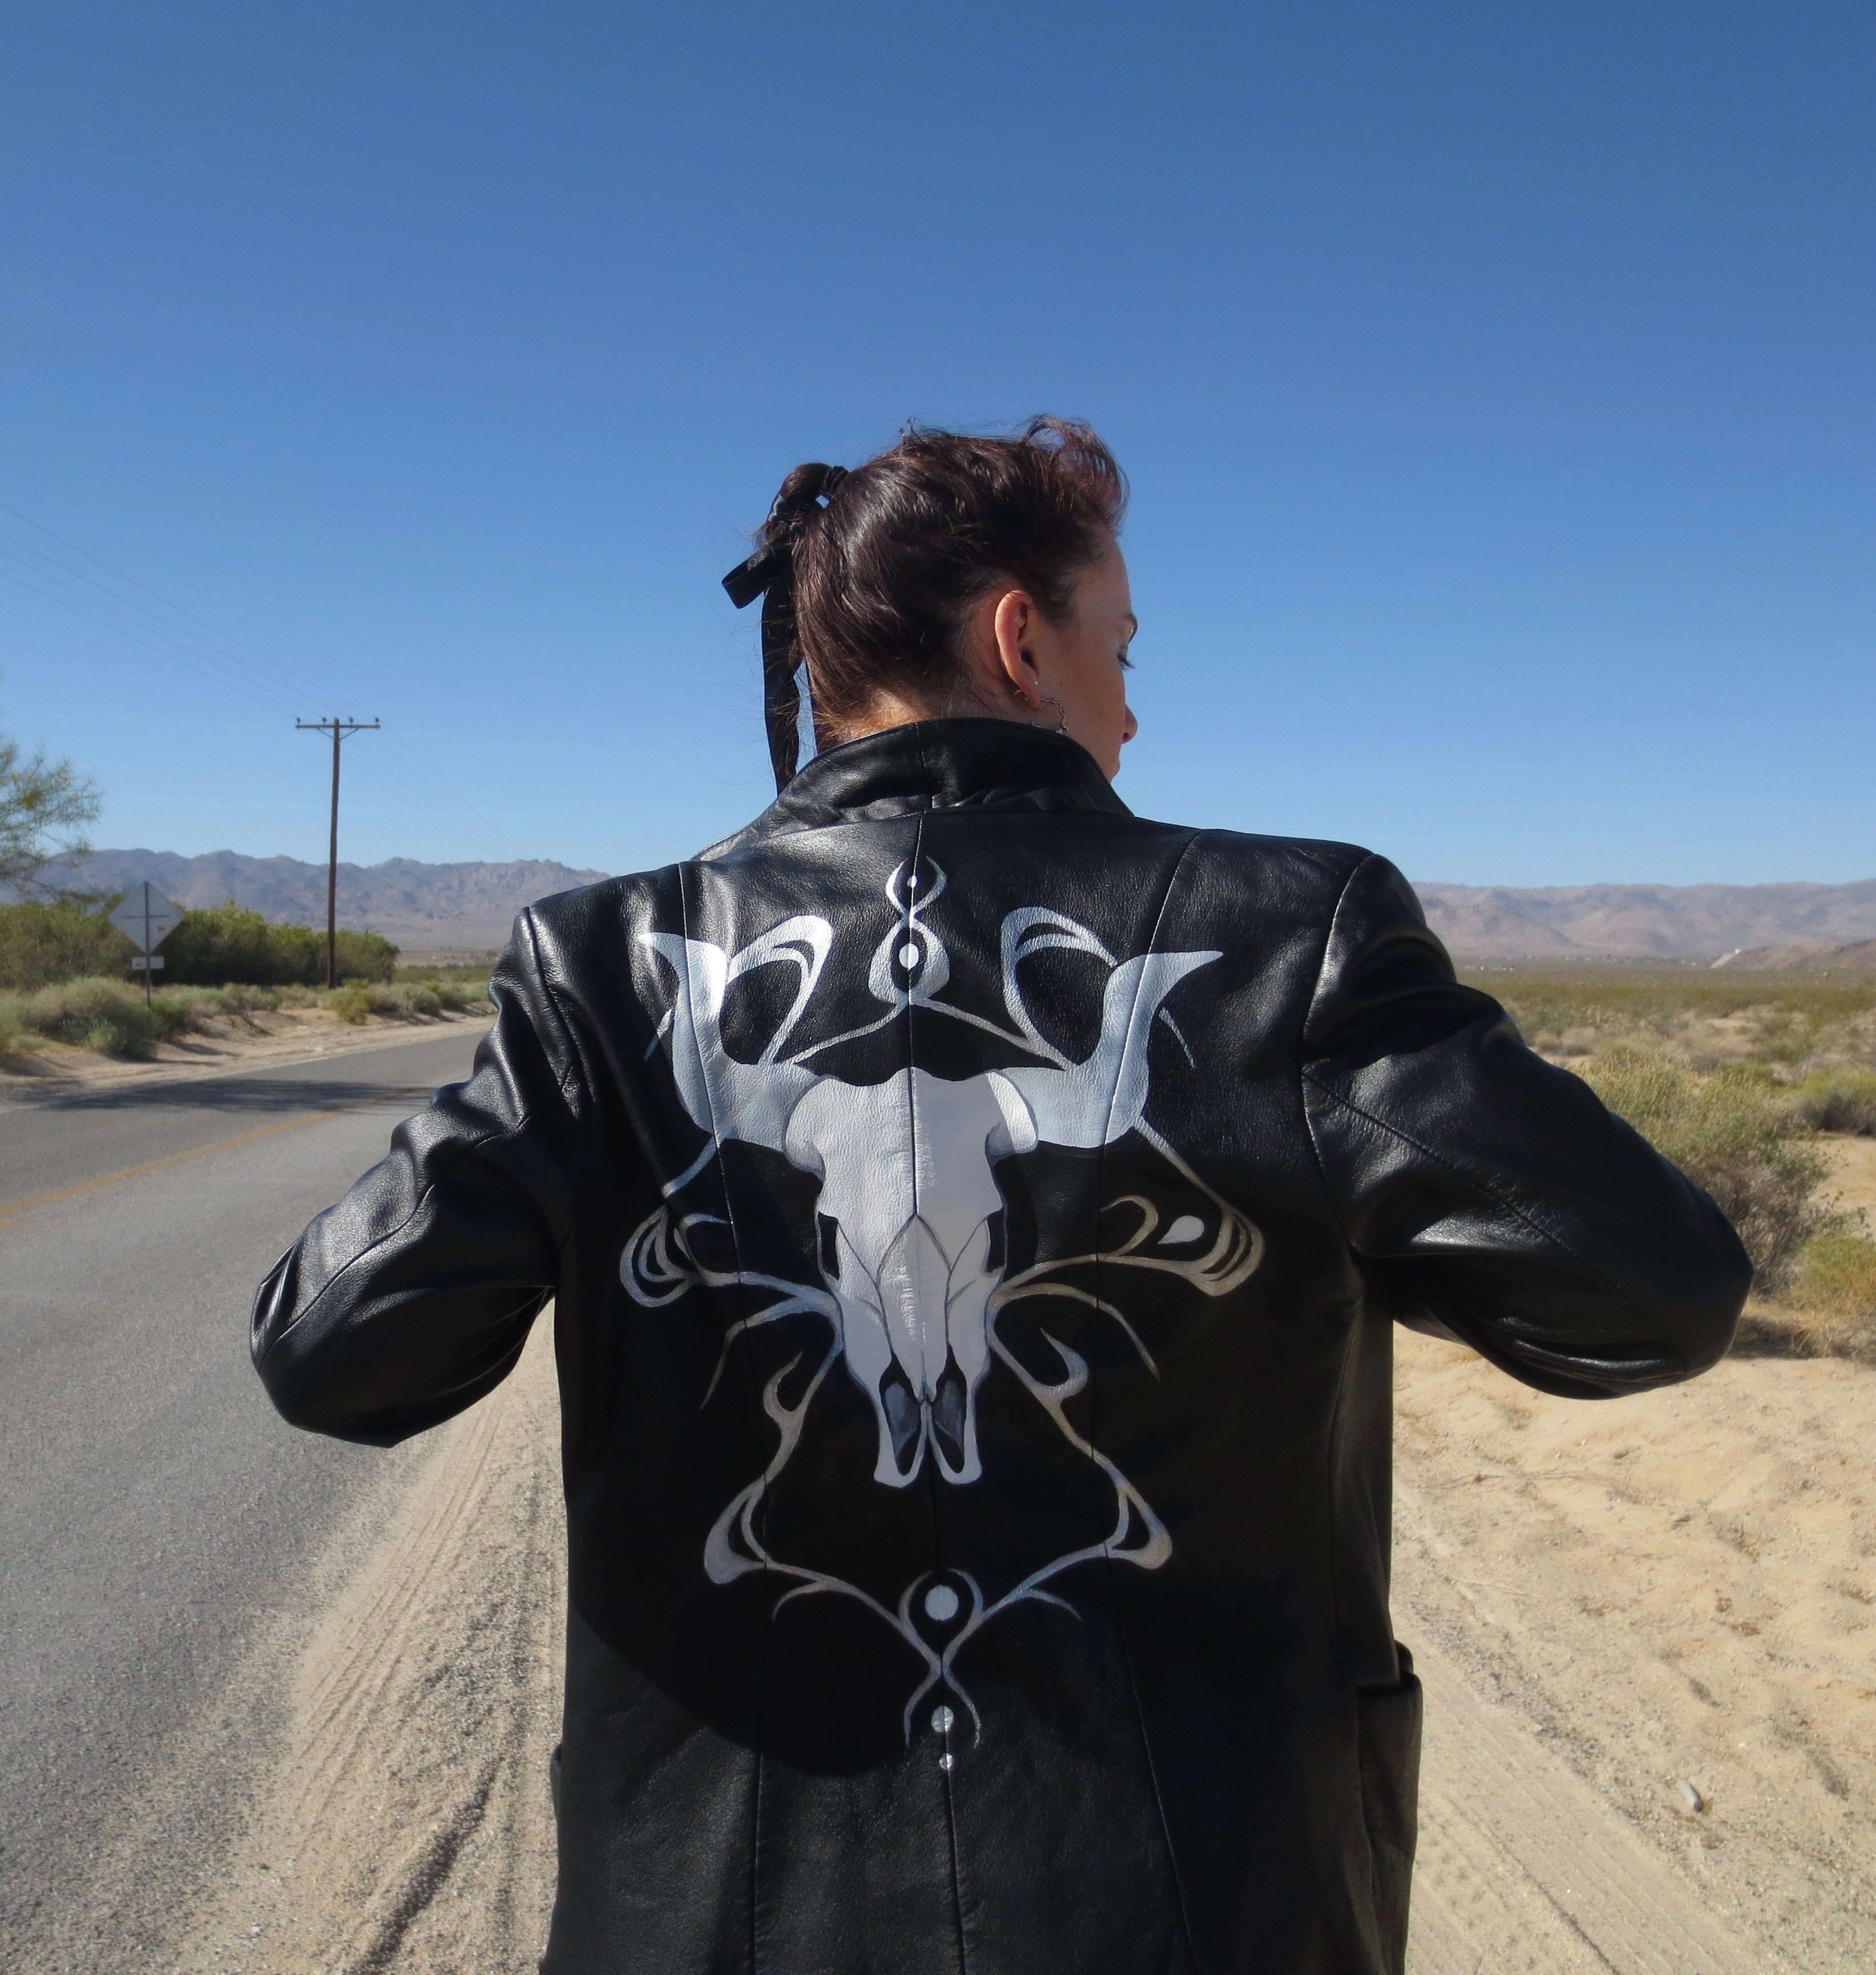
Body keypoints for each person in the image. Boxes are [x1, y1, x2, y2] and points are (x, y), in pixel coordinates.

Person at [252, 417, 1750, 1975]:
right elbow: (1651, 1295)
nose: (1134, 711)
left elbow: (338, 1356)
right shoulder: (1291, 933)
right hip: (1211, 1913)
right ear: (1021, 641)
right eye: (1122, 648)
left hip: (709, 1921)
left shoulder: (606, 966)